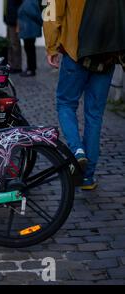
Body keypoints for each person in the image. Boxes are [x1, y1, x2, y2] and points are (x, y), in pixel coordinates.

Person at [43, 0, 125, 190]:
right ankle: (88, 178)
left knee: (65, 104)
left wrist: (52, 46)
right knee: (94, 116)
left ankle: (76, 150)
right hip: (107, 56)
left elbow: (52, 11)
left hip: (76, 52)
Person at [17, 0, 42, 77]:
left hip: (29, 30)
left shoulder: (29, 1)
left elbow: (34, 14)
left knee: (29, 49)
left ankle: (31, 69)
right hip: (28, 29)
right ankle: (30, 68)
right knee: (29, 49)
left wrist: (41, 22)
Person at [3, 0, 23, 73]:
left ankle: (17, 66)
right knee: (9, 43)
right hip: (9, 21)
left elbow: (19, 7)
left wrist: (18, 22)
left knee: (15, 44)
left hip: (14, 22)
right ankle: (10, 65)